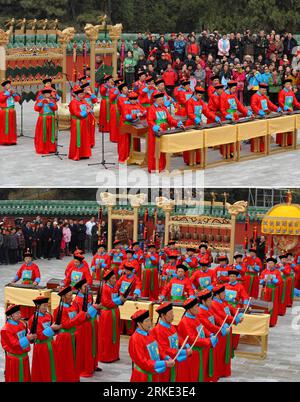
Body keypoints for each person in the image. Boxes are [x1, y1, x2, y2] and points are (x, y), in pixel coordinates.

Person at [177, 297, 218, 382]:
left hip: (200, 350)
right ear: (189, 309)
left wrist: (209, 334)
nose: (198, 309)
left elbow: (202, 328)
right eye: (196, 307)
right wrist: (208, 341)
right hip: (193, 354)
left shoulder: (194, 317)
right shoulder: (185, 321)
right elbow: (192, 339)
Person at [129, 308, 174, 382]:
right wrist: (164, 363)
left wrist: (166, 357)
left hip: (154, 372)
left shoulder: (149, 333)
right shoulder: (136, 339)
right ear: (139, 324)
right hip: (143, 376)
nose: (150, 323)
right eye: (146, 321)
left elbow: (158, 348)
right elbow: (143, 361)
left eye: (150, 320)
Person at [53, 286, 88, 382]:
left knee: (74, 360)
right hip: (65, 338)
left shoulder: (74, 306)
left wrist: (84, 316)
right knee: (65, 361)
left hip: (74, 335)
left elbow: (78, 321)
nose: (72, 297)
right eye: (69, 295)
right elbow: (66, 325)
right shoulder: (58, 310)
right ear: (63, 297)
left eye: (72, 295)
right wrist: (80, 316)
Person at [151, 302, 191, 382]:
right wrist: (181, 352)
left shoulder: (171, 325)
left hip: (174, 359)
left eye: (173, 312)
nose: (173, 315)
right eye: (170, 313)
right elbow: (164, 349)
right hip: (166, 363)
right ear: (162, 315)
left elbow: (177, 337)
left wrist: (185, 344)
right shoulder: (158, 330)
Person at [147, 91, 184, 172]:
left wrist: (177, 123)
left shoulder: (164, 108)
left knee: (162, 148)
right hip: (155, 133)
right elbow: (150, 121)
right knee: (154, 150)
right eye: (160, 100)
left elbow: (170, 119)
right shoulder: (151, 109)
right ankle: (154, 167)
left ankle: (162, 166)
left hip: (164, 131)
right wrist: (156, 127)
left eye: (162, 100)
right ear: (155, 100)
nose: (162, 101)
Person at [183, 86, 219, 165]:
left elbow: (206, 112)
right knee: (190, 142)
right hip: (191, 123)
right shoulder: (190, 101)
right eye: (199, 95)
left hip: (198, 124)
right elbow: (190, 113)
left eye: (201, 96)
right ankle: (188, 160)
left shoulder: (201, 102)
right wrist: (198, 120)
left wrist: (215, 117)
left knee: (198, 142)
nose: (200, 97)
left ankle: (198, 159)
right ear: (195, 93)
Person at [28, 296, 61, 382]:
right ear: (38, 306)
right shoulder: (33, 319)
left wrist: (57, 329)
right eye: (44, 306)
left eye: (47, 305)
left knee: (53, 366)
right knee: (44, 368)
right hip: (41, 347)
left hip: (51, 344)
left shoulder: (49, 315)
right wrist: (52, 328)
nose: (46, 308)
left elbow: (53, 329)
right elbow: (39, 336)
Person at [72, 279, 101, 377]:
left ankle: (93, 364)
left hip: (92, 324)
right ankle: (85, 368)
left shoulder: (89, 296)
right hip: (83, 326)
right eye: (85, 287)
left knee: (93, 345)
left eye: (87, 286)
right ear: (80, 289)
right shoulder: (76, 301)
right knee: (86, 347)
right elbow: (79, 316)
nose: (87, 288)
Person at [1, 304, 36, 382]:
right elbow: (14, 344)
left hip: (24, 357)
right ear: (10, 316)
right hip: (14, 360)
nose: (20, 315)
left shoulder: (22, 324)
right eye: (17, 313)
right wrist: (28, 338)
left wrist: (31, 338)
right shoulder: (6, 329)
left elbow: (26, 335)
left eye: (20, 313)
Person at [219, 80, 254, 158]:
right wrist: (227, 115)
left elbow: (239, 106)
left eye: (235, 88)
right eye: (234, 88)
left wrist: (248, 112)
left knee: (233, 136)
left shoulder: (233, 95)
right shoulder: (223, 95)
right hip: (227, 118)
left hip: (234, 118)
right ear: (229, 88)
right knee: (226, 137)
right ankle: (225, 152)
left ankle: (231, 151)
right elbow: (222, 109)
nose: (235, 90)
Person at [98, 269, 125, 363]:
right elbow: (106, 303)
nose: (115, 280)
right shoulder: (105, 288)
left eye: (115, 278)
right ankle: (106, 356)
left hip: (114, 312)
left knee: (115, 334)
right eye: (113, 278)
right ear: (108, 280)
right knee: (106, 335)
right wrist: (119, 300)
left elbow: (117, 300)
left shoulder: (114, 288)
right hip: (107, 315)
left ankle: (114, 355)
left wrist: (122, 300)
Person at [250, 83, 282, 152]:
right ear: (259, 89)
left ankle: (263, 147)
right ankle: (255, 148)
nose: (264, 91)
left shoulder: (264, 96)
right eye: (263, 90)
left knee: (264, 132)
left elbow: (270, 104)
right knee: (258, 133)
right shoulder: (254, 96)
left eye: (265, 90)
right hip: (258, 117)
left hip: (265, 116)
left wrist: (277, 109)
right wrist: (259, 111)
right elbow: (253, 105)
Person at [11, 248, 41, 318]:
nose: (28, 260)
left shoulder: (35, 266)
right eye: (26, 258)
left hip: (31, 286)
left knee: (30, 301)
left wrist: (36, 282)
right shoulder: (23, 266)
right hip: (23, 286)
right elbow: (18, 275)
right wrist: (13, 280)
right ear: (24, 259)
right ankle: (24, 315)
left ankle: (31, 315)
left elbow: (38, 276)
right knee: (23, 300)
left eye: (29, 258)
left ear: (31, 259)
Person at [118, 91, 146, 163]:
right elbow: (126, 116)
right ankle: (124, 157)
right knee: (125, 142)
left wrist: (144, 113)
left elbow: (144, 111)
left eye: (135, 99)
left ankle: (135, 156)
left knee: (136, 139)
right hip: (125, 124)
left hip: (135, 124)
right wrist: (135, 115)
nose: (134, 101)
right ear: (129, 99)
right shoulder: (125, 106)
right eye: (132, 99)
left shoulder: (138, 104)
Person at [68, 85, 92, 161]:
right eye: (81, 94)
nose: (82, 96)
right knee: (77, 138)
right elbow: (77, 113)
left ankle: (84, 153)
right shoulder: (73, 102)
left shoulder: (83, 101)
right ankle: (76, 154)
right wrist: (86, 111)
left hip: (84, 122)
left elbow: (89, 106)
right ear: (76, 95)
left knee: (84, 137)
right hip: (77, 123)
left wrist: (89, 108)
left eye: (83, 94)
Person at [260, 257, 283, 327]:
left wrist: (272, 279)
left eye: (271, 263)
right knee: (265, 305)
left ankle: (272, 322)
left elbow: (280, 282)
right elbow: (260, 281)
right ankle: (264, 321)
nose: (270, 264)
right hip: (265, 290)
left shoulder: (277, 272)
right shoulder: (264, 271)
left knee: (273, 305)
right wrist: (264, 280)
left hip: (273, 290)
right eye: (268, 263)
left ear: (274, 264)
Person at [34, 88, 58, 154]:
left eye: (48, 93)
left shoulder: (52, 100)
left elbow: (55, 108)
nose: (47, 95)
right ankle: (42, 148)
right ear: (43, 94)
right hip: (43, 119)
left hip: (51, 119)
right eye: (46, 93)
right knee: (43, 134)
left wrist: (50, 102)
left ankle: (51, 148)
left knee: (51, 134)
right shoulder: (40, 100)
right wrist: (41, 102)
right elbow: (36, 108)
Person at [277, 78, 300, 146]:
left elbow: (295, 102)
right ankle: (281, 142)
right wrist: (286, 107)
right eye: (287, 84)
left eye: (289, 84)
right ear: (284, 85)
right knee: (283, 126)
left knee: (290, 126)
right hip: (283, 111)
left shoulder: (291, 92)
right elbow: (280, 102)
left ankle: (289, 141)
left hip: (290, 111)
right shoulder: (282, 92)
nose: (288, 85)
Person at [0, 79, 21, 145]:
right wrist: (7, 94)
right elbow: (1, 100)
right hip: (5, 112)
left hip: (12, 111)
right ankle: (5, 140)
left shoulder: (12, 93)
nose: (9, 85)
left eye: (9, 84)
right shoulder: (2, 93)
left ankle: (12, 140)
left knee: (12, 126)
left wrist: (14, 94)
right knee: (5, 126)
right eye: (7, 85)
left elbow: (18, 99)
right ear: (4, 87)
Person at [81, 81, 98, 148]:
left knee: (91, 129)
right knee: (86, 129)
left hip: (91, 114)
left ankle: (91, 142)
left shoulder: (90, 95)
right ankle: (86, 142)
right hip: (85, 114)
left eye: (88, 87)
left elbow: (95, 100)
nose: (88, 88)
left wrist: (91, 94)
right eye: (86, 87)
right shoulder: (81, 96)